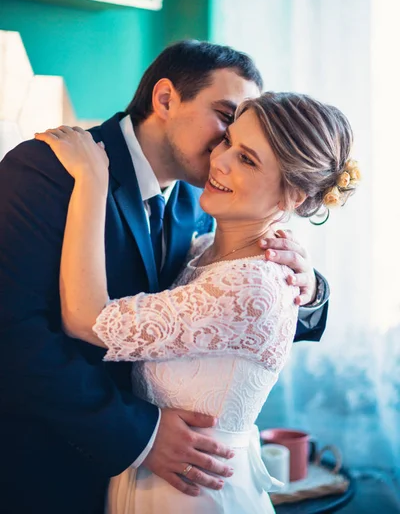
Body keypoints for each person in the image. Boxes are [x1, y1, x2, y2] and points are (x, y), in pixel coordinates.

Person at [0, 41, 327, 514]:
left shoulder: (205, 198)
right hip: (48, 470)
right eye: (225, 118)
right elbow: (14, 334)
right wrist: (140, 433)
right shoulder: (47, 171)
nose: (224, 150)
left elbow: (233, 308)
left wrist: (309, 288)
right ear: (167, 99)